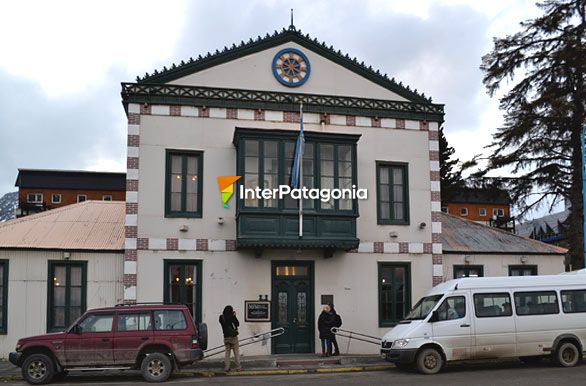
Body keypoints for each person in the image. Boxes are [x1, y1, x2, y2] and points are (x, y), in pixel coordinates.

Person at [219, 305, 241, 372]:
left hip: (226, 337)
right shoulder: (232, 316)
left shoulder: (221, 317)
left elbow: (223, 324)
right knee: (236, 352)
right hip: (233, 336)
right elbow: (237, 324)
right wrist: (234, 316)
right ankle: (238, 367)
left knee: (227, 352)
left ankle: (227, 367)